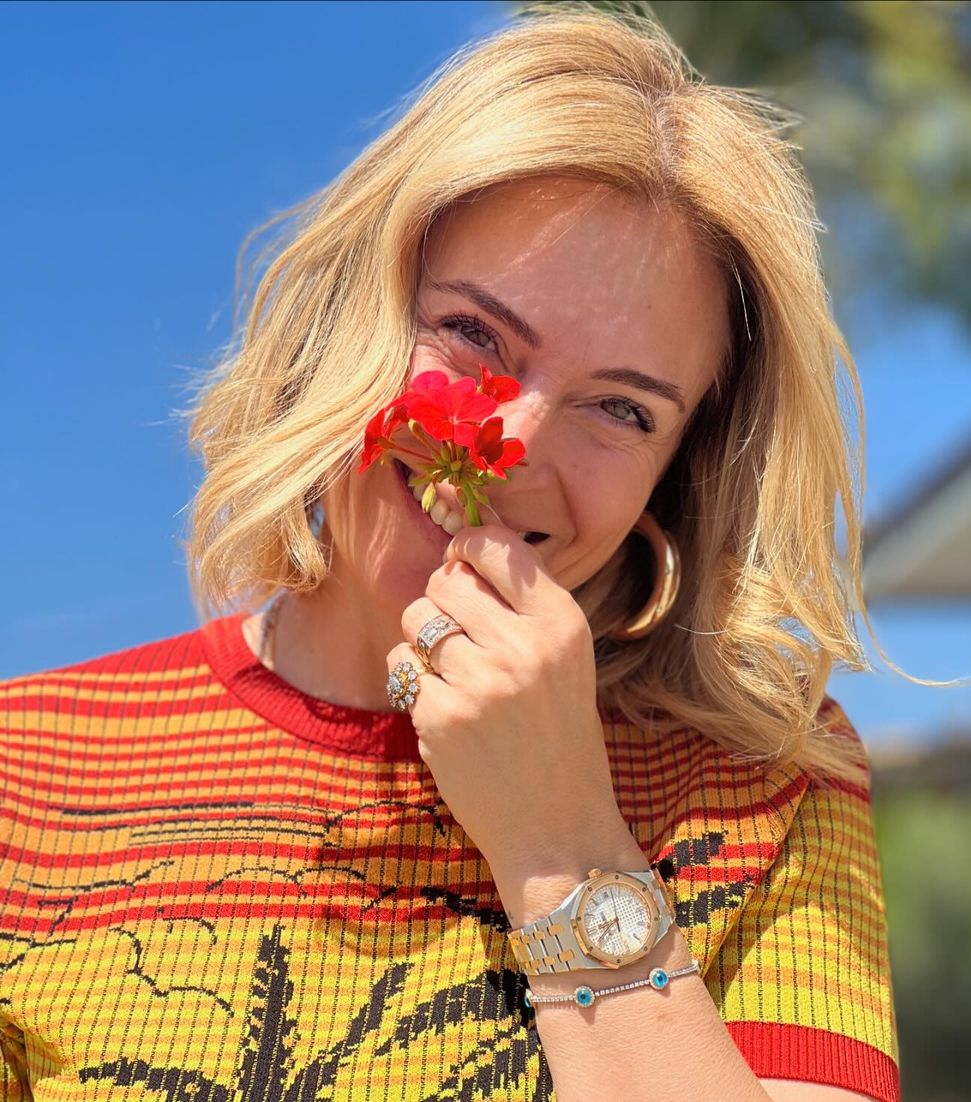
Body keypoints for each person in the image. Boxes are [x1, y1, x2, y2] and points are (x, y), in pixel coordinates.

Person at [0, 7, 908, 1101]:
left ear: (679, 470)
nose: (510, 445)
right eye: (474, 335)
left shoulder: (769, 779)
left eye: (621, 407)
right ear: (347, 320)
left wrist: (562, 846)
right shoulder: (23, 768)